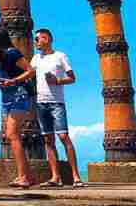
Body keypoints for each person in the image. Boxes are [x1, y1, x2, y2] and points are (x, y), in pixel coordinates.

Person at [0, 23, 36, 188]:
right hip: (6, 97)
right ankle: (27, 176)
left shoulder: (12, 53)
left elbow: (30, 70)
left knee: (13, 134)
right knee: (12, 135)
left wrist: (14, 80)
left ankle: (23, 177)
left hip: (20, 94)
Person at [32, 28, 84, 188]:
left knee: (63, 137)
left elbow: (72, 78)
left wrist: (57, 81)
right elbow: (29, 74)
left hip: (56, 102)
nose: (36, 42)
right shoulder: (35, 58)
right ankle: (55, 177)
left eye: (38, 39)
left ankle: (76, 176)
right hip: (41, 102)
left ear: (46, 39)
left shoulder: (60, 56)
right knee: (48, 140)